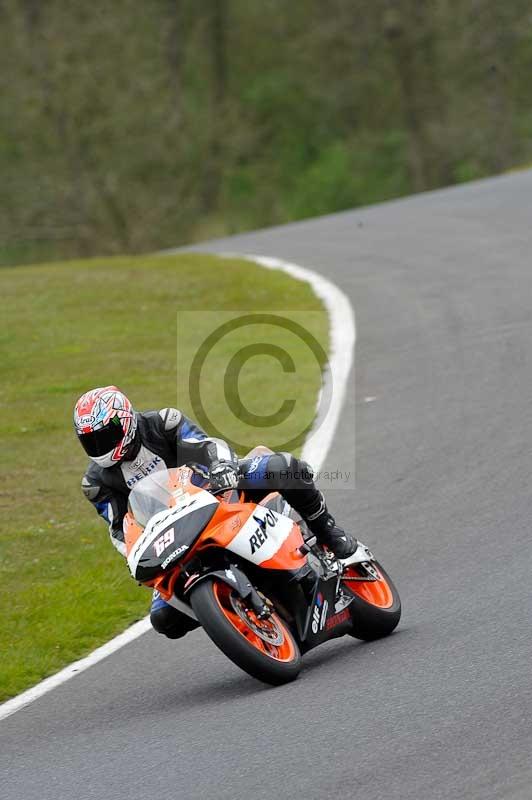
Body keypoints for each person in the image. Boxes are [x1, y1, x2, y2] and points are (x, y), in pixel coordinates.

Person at [74, 385, 356, 639]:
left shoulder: (163, 423)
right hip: (172, 536)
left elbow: (207, 445)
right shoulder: (96, 483)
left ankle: (327, 531)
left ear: (125, 423)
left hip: (217, 490)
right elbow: (119, 529)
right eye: (91, 441)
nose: (101, 447)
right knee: (164, 619)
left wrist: (221, 467)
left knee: (282, 468)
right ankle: (230, 613)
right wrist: (133, 555)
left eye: (106, 436)